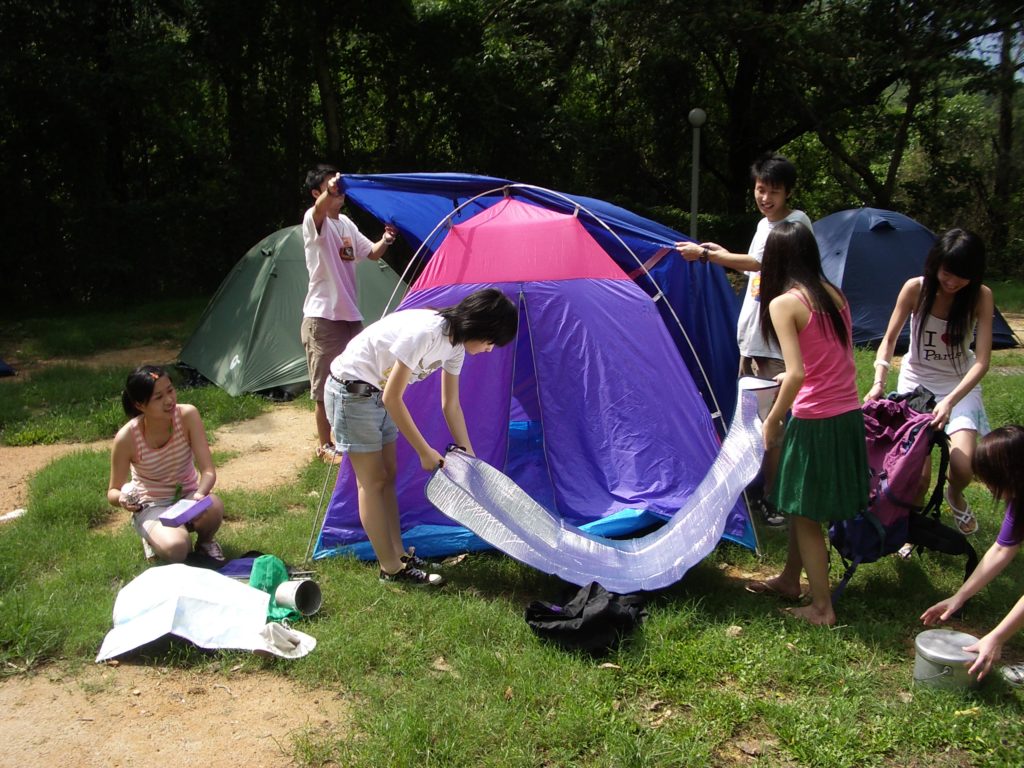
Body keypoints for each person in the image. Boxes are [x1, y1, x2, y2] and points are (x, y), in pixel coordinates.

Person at [325, 288, 518, 586]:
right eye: (491, 341)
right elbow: (394, 397)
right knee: (372, 481)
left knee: (388, 475)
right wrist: (424, 450)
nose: (490, 350)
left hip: (375, 394)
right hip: (351, 392)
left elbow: (450, 404)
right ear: (479, 327)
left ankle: (399, 555)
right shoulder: (428, 332)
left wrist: (468, 456)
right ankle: (390, 569)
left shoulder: (454, 346)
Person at [676, 153, 813, 528]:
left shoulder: (795, 225)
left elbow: (758, 265)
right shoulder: (764, 224)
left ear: (789, 193)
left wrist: (706, 255)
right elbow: (754, 261)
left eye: (774, 191)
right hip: (753, 338)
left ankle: (774, 498)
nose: (765, 197)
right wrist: (722, 253)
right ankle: (757, 488)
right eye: (760, 189)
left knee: (773, 423)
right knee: (750, 420)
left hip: (775, 343)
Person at [743, 222, 869, 626]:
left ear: (776, 261)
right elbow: (832, 358)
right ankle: (788, 580)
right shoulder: (833, 295)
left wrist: (774, 419)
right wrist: (794, 379)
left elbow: (795, 373)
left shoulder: (784, 303)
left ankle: (821, 607)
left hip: (816, 419)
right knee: (803, 508)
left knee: (805, 514)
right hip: (847, 413)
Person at [865, 228, 992, 537]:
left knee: (963, 467)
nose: (951, 282)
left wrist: (949, 401)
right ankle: (907, 527)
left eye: (961, 277)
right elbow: (890, 339)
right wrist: (879, 379)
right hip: (916, 385)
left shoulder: (980, 296)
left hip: (958, 388)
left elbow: (983, 361)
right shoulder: (915, 289)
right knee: (915, 477)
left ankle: (954, 495)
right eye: (947, 272)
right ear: (935, 263)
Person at [301, 163, 398, 465]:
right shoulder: (314, 220)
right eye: (331, 187)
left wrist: (387, 239)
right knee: (322, 385)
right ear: (318, 192)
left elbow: (370, 253)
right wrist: (327, 193)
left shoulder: (345, 223)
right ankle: (325, 445)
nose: (339, 191)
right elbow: (318, 211)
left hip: (350, 316)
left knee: (356, 377)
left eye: (339, 186)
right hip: (323, 317)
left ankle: (351, 435)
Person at [921, 425, 1024, 686]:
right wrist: (959, 596)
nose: (987, 486)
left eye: (990, 478)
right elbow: (1001, 549)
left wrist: (997, 637)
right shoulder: (1019, 497)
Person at [107, 366, 225, 563]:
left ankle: (205, 543)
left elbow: (208, 471)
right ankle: (154, 536)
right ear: (140, 405)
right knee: (179, 548)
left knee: (214, 506)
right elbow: (112, 492)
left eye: (170, 390)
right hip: (151, 505)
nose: (169, 400)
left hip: (188, 498)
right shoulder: (126, 438)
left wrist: (198, 496)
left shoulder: (188, 415)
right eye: (158, 397)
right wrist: (123, 499)